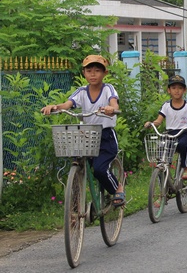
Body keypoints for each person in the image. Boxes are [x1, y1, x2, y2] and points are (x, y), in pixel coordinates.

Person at [41, 55, 125, 207]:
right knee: (77, 164)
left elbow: (114, 103)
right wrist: (55, 107)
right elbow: (68, 104)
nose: (93, 74)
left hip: (106, 137)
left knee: (99, 169)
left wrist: (111, 109)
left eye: (97, 70)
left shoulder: (108, 89)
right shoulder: (81, 91)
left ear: (105, 73)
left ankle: (117, 187)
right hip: (88, 137)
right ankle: (75, 206)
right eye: (89, 70)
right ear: (84, 73)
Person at [144, 74, 187, 180]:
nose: (176, 91)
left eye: (180, 88)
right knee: (162, 149)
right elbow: (159, 121)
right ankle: (164, 178)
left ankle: (186, 169)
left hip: (184, 132)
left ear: (184, 90)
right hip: (170, 134)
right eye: (173, 88)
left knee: (184, 145)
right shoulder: (166, 106)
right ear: (169, 90)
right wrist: (151, 124)